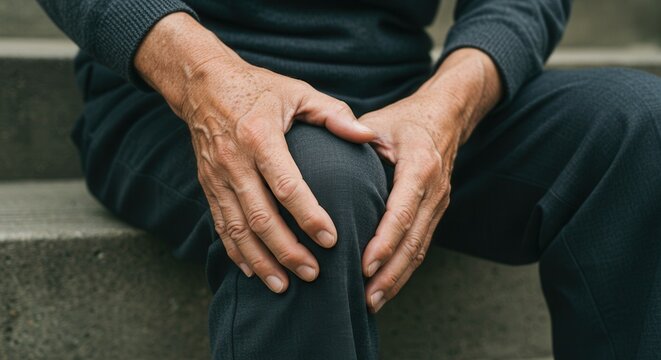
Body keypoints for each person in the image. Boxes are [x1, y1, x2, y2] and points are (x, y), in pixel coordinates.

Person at [37, 0, 660, 359]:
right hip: (177, 89)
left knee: (640, 124)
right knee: (311, 184)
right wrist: (203, 79)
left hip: (399, 91)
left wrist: (445, 109)